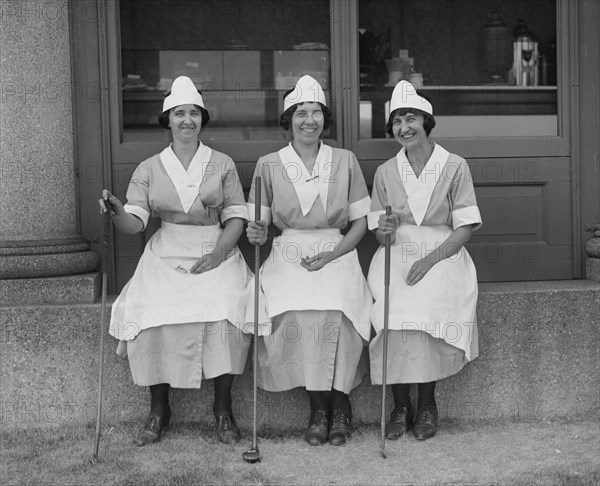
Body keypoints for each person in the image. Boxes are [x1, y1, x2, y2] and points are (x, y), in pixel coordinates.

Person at [99, 76, 252, 447]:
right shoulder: (150, 167)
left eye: (194, 113)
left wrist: (219, 253)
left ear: (202, 119)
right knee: (151, 308)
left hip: (216, 247)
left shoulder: (222, 163)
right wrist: (117, 211)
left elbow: (236, 217)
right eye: (179, 113)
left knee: (227, 308)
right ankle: (159, 408)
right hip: (166, 248)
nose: (187, 120)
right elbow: (134, 222)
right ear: (167, 120)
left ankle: (222, 409)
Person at [246, 75, 372, 446]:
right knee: (296, 311)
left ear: (324, 118)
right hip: (289, 252)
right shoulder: (268, 164)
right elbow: (262, 220)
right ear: (289, 119)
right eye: (301, 113)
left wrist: (334, 254)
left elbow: (361, 222)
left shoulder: (345, 160)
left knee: (339, 311)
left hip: (338, 249)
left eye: (316, 113)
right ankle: (318, 408)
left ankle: (341, 406)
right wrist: (257, 232)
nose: (309, 121)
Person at [367, 80, 482, 441]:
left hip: (443, 251)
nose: (405, 127)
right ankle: (401, 404)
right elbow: (380, 233)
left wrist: (431, 260)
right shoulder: (386, 171)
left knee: (428, 304)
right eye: (398, 120)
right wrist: (384, 230)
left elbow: (464, 229)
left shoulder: (454, 166)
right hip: (398, 251)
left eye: (411, 118)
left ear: (426, 121)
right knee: (395, 308)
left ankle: (428, 402)